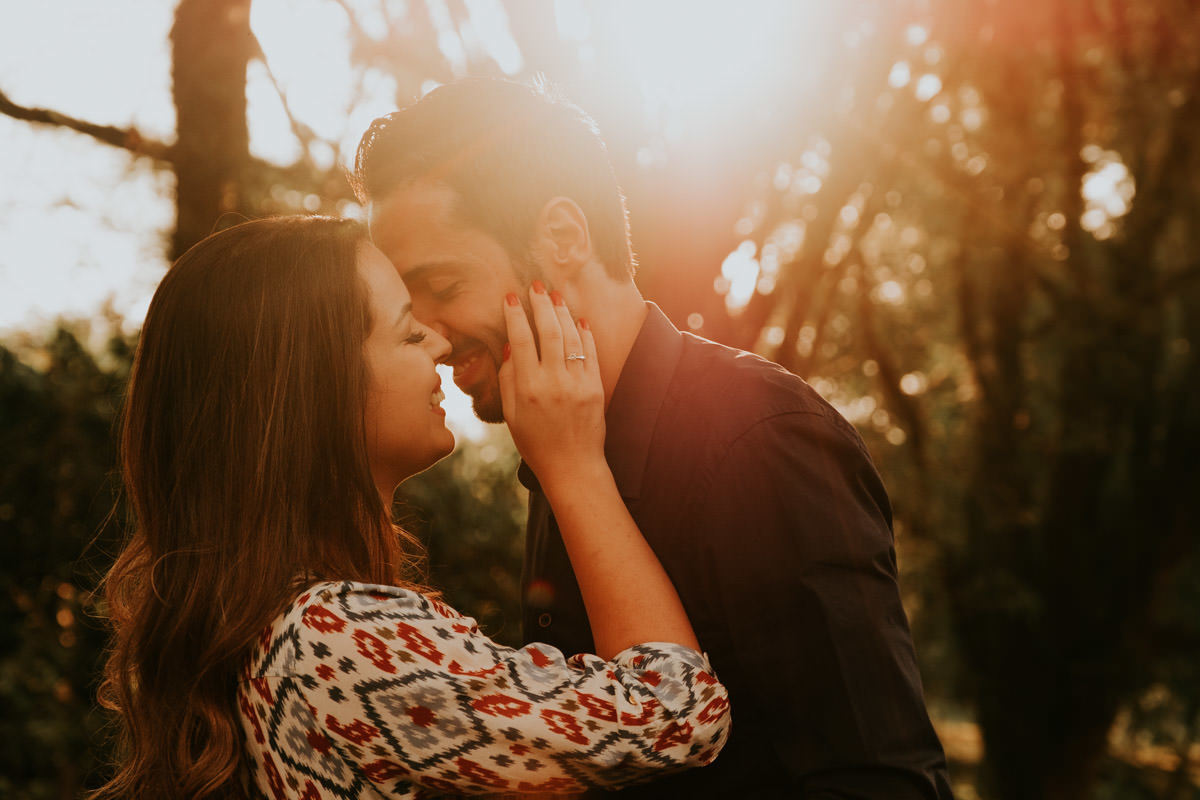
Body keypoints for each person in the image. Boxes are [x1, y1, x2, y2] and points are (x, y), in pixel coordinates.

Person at [357, 79, 955, 798]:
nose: (428, 333)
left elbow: (878, 779)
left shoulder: (760, 440)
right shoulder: (561, 445)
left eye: (444, 287)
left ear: (564, 239)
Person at [93, 216, 730, 800]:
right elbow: (677, 714)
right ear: (322, 387)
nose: (438, 344)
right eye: (405, 329)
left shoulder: (267, 625)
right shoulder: (333, 636)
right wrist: (575, 466)